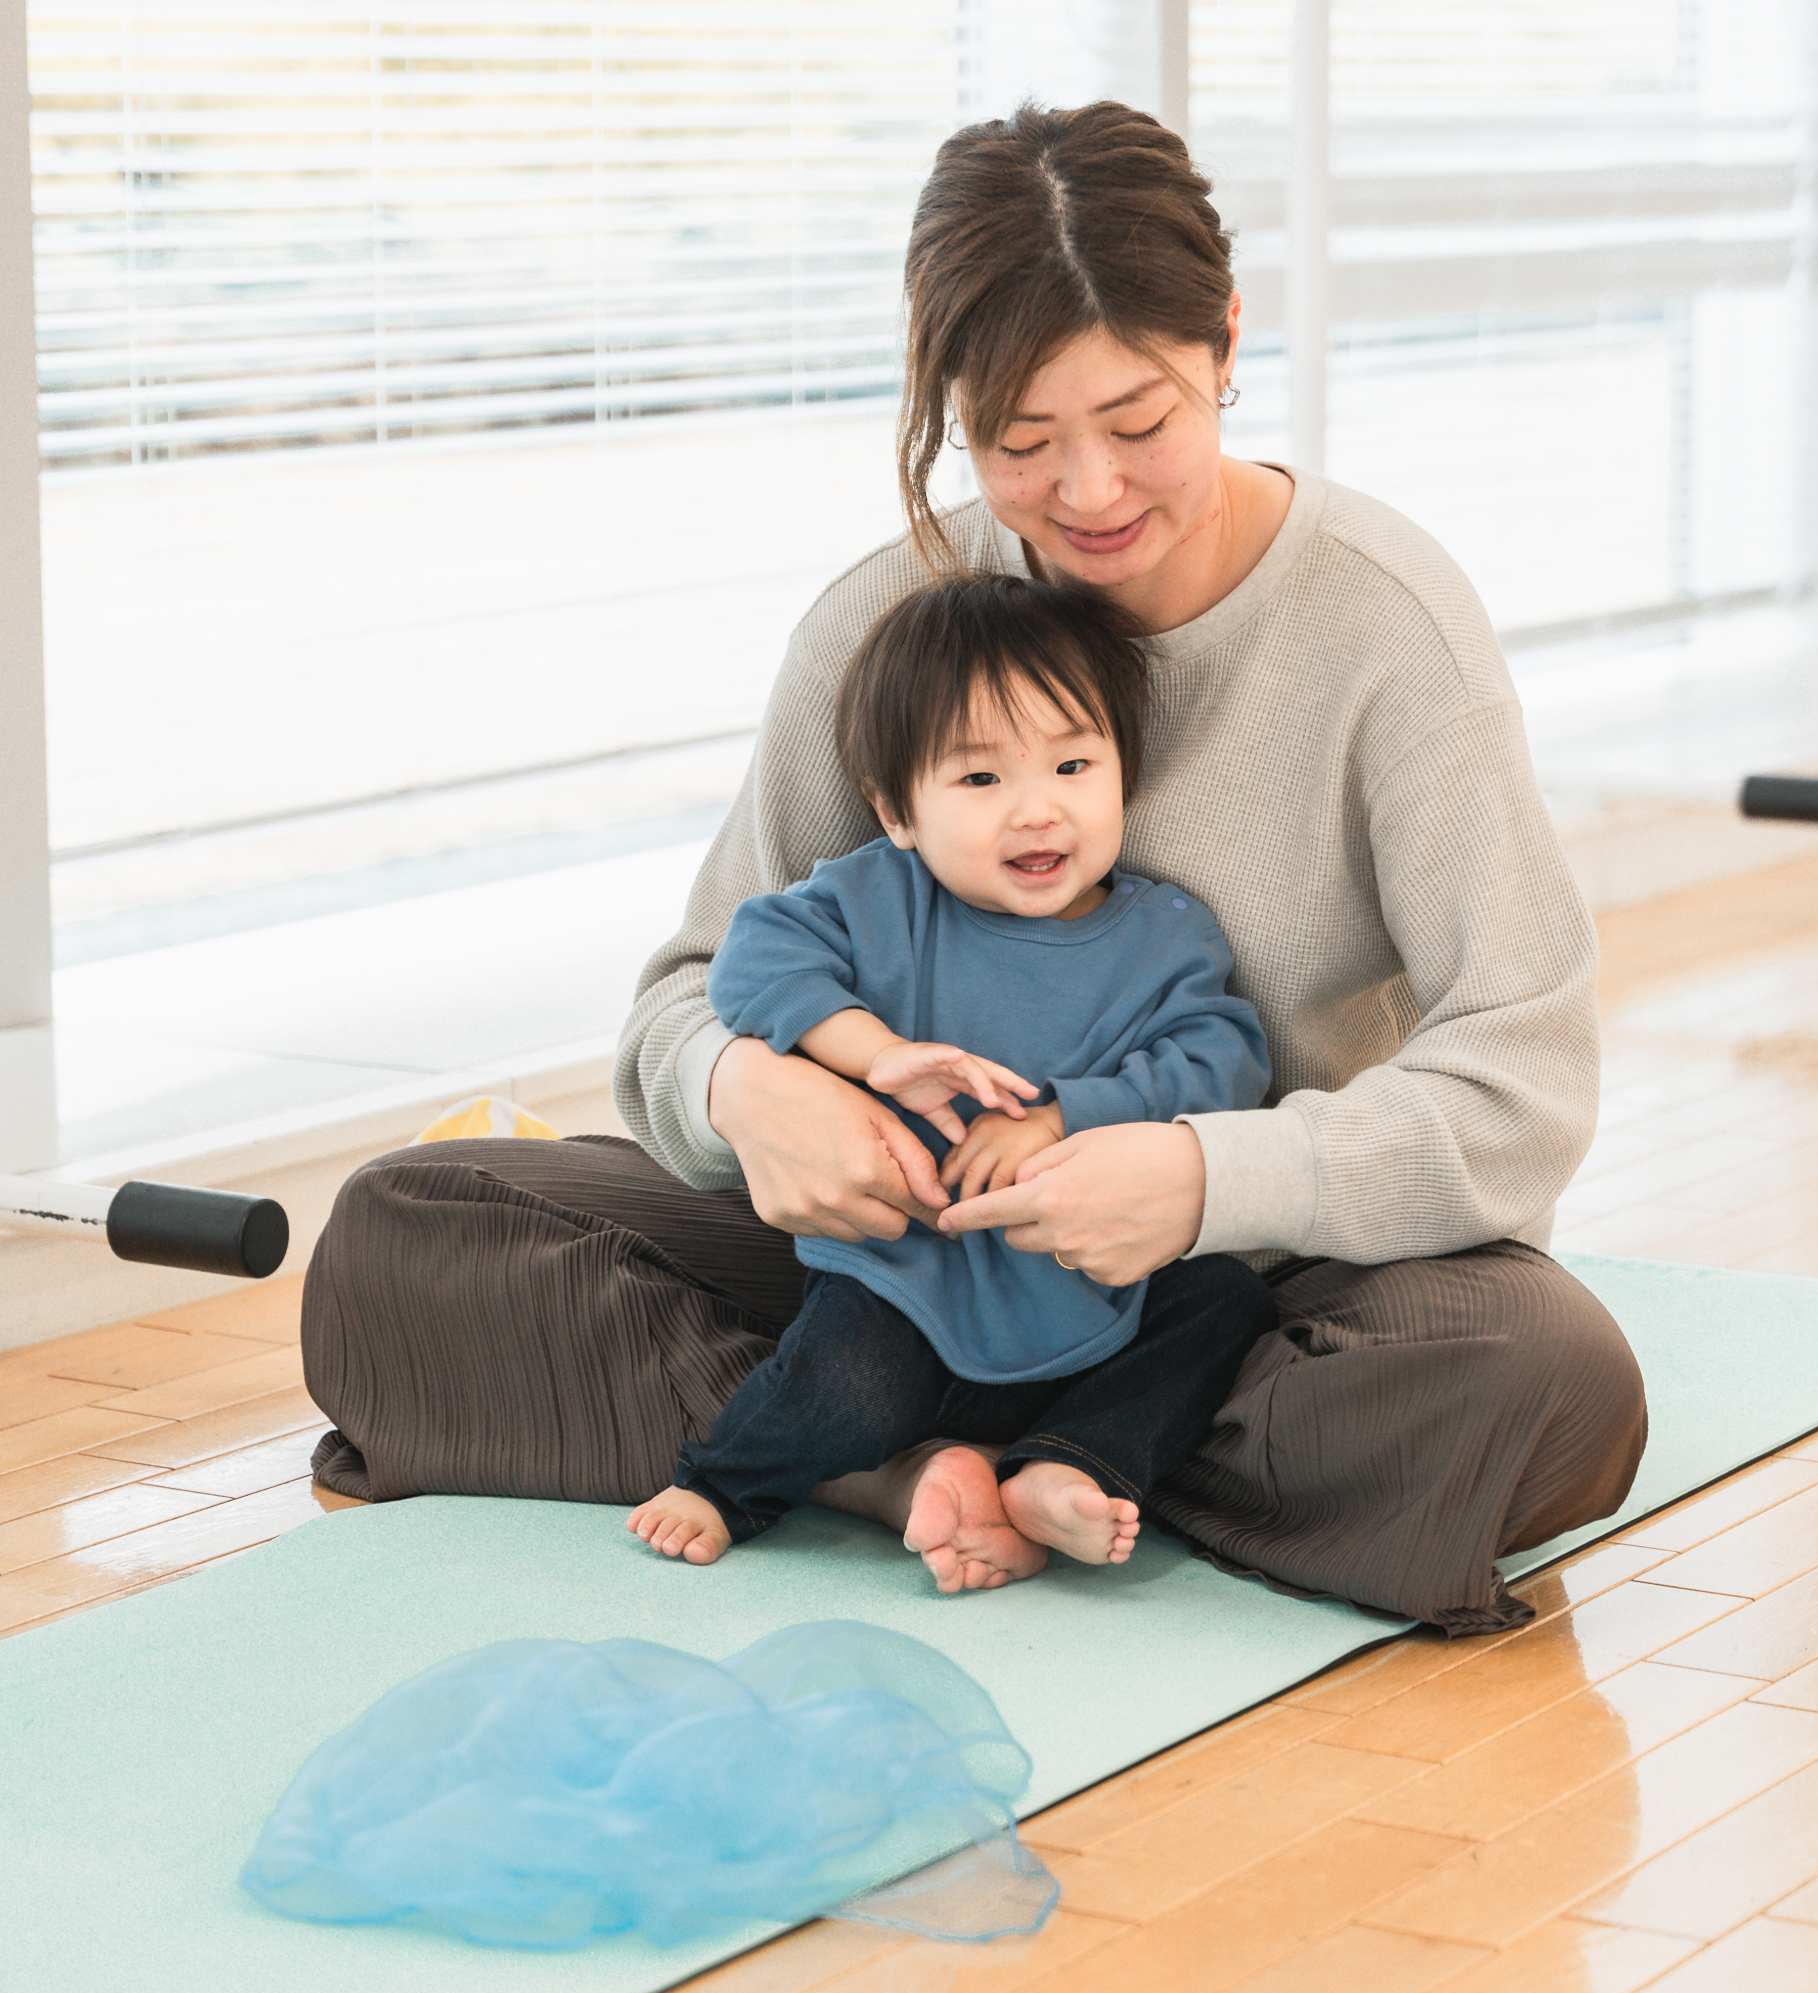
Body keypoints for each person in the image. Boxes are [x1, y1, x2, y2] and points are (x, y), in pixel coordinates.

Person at [304, 97, 1647, 1634]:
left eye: (1139, 424)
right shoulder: (893, 624)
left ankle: (901, 1451)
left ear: (1222, 344)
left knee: (1551, 1388)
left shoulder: (1386, 630)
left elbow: (1520, 1081)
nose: (1089, 494)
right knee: (412, 1233)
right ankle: (916, 1467)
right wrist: (754, 1092)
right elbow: (688, 999)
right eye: (1018, 443)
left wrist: (1208, 1177)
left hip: (1234, 1287)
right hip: (889, 1270)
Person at [625, 570, 1276, 1590]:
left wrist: (1064, 1118)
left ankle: (1061, 1467)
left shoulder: (1165, 935)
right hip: (905, 1278)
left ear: (1121, 772)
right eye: (979, 782)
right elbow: (749, 961)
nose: (1035, 812)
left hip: (1098, 1282)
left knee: (1224, 1305)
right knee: (841, 1387)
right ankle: (723, 1485)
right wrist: (870, 1052)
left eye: (1071, 765)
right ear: (896, 808)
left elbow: (1222, 1060)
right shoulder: (877, 898)